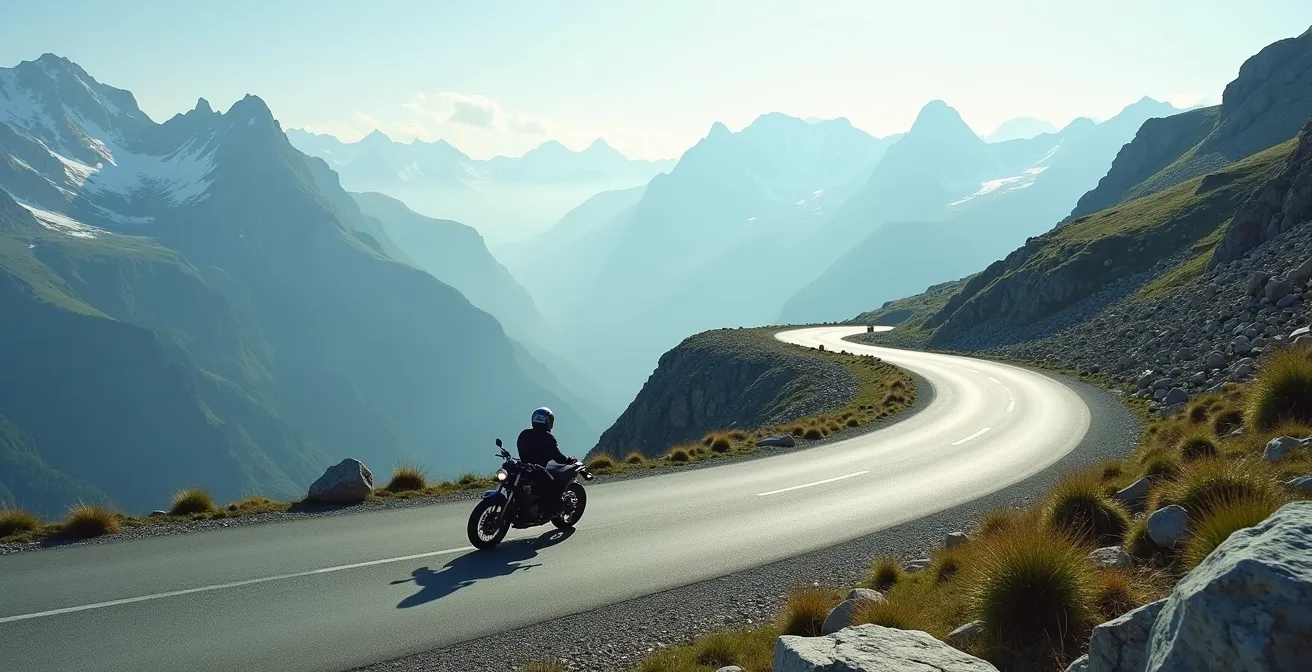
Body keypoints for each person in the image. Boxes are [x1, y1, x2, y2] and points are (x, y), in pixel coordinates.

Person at [516, 407, 577, 517]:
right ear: (547, 422)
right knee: (554, 485)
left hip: (524, 468)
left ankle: (548, 510)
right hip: (538, 471)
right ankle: (552, 507)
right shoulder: (548, 438)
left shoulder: (524, 434)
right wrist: (568, 459)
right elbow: (558, 457)